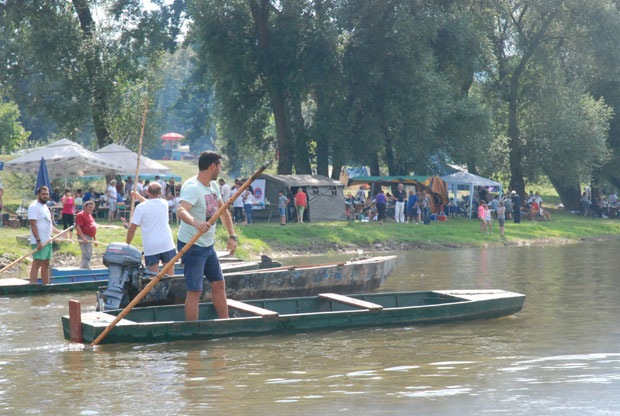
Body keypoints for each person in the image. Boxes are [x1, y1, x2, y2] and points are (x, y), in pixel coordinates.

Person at [176, 151, 237, 321]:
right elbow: (181, 211)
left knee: (219, 284)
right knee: (195, 290)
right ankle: (193, 330)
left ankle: (225, 322)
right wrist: (196, 223)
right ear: (212, 166)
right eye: (220, 167)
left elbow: (223, 212)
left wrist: (232, 236)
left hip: (208, 246)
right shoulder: (193, 187)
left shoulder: (213, 186)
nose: (220, 170)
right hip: (192, 246)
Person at [126, 182, 176, 273]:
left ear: (147, 191)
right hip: (167, 244)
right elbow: (151, 204)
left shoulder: (140, 208)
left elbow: (132, 229)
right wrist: (138, 197)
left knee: (153, 277)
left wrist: (127, 244)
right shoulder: (164, 203)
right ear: (160, 193)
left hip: (151, 246)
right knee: (169, 276)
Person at [28, 186, 61, 284]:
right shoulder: (34, 206)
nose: (45, 196)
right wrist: (38, 240)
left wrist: (59, 232)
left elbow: (49, 224)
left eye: (47, 194)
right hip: (39, 240)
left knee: (46, 263)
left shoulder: (45, 207)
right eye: (43, 194)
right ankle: (33, 284)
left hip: (48, 240)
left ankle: (46, 285)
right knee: (37, 262)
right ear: (38, 195)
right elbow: (33, 224)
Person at [75, 201, 98, 269]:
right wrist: (83, 237)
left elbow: (92, 226)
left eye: (92, 208)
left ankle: (86, 267)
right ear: (85, 207)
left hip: (90, 237)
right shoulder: (80, 215)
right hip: (84, 236)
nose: (91, 209)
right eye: (90, 207)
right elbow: (78, 227)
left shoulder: (90, 215)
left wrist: (95, 239)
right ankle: (84, 268)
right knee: (86, 253)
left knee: (89, 253)